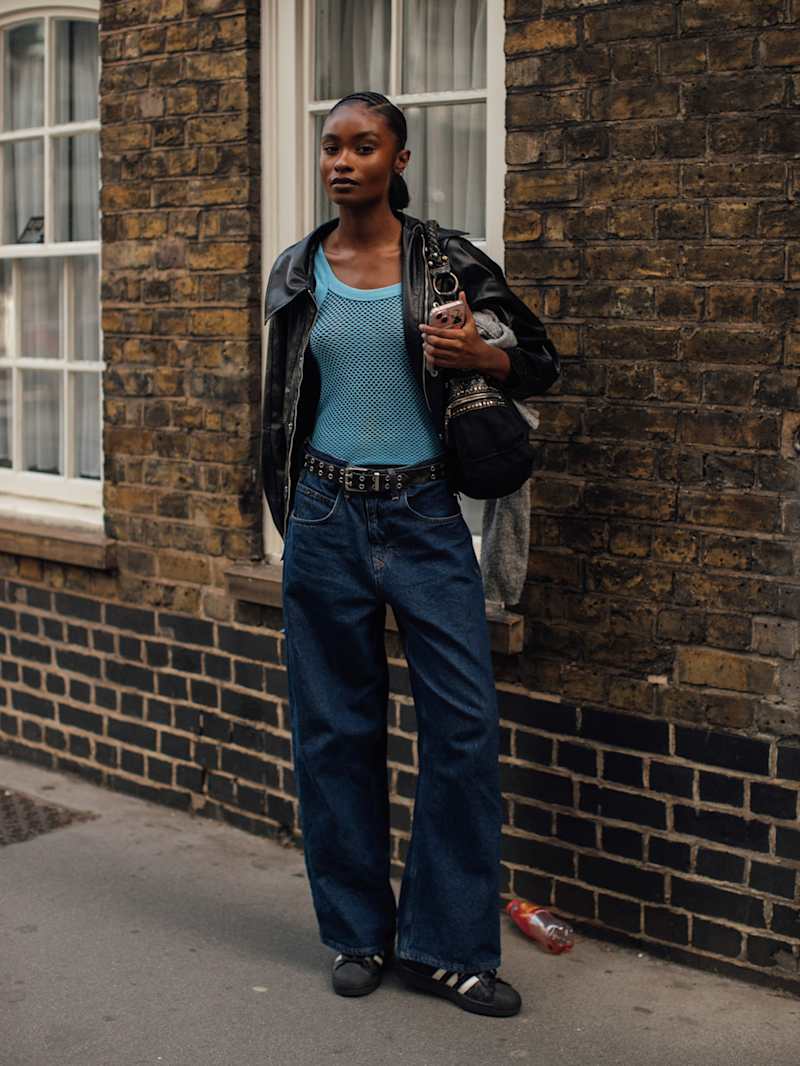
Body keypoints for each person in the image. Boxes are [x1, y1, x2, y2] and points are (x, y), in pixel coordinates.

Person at [261, 90, 559, 1018]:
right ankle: (357, 931)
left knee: (463, 732)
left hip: (425, 517)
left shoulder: (449, 262)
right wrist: (290, 511)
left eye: (364, 146)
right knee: (335, 733)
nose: (342, 162)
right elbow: (276, 402)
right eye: (331, 148)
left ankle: (449, 947)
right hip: (324, 516)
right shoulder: (297, 269)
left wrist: (484, 354)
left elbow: (542, 362)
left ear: (400, 161)